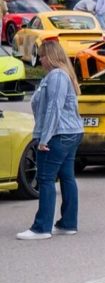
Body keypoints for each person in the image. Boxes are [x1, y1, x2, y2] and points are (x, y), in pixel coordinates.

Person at [18, 39, 83, 239]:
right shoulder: (64, 75)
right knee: (66, 177)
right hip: (69, 132)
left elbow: (54, 108)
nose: (40, 61)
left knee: (45, 179)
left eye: (43, 56)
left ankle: (41, 228)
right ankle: (67, 223)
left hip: (58, 134)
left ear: (51, 56)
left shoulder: (56, 76)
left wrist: (45, 138)